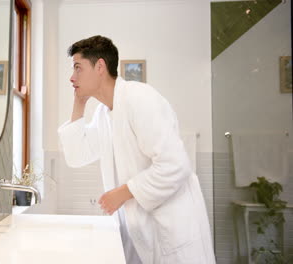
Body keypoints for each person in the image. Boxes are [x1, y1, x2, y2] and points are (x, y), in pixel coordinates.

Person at [57, 35, 216, 264]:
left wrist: (122, 192)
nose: (72, 77)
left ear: (100, 66)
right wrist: (79, 104)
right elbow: (76, 156)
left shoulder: (140, 99)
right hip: (139, 231)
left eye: (78, 68)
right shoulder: (105, 113)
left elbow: (175, 165)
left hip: (171, 229)